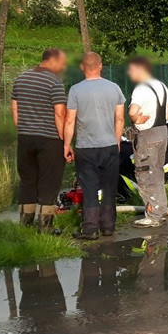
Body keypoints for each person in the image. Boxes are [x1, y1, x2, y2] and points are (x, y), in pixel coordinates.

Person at [64, 52, 126, 240]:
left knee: (89, 187)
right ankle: (108, 226)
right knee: (109, 186)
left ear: (83, 67)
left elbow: (69, 121)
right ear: (101, 66)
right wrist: (116, 143)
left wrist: (67, 145)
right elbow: (120, 118)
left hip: (86, 147)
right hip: (109, 146)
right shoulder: (114, 88)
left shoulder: (75, 90)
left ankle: (90, 229)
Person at [11, 48, 68, 232]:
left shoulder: (21, 78)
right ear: (52, 61)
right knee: (49, 182)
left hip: (25, 138)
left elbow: (15, 109)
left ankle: (25, 225)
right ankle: (46, 228)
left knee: (28, 180)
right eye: (62, 62)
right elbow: (59, 114)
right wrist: (64, 140)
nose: (64, 66)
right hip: (49, 139)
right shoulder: (54, 82)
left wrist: (23, 129)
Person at [126, 56, 168, 228]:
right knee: (157, 172)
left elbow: (133, 111)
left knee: (145, 174)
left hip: (148, 135)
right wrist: (160, 119)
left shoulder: (140, 89)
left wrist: (136, 119)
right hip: (162, 131)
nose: (130, 73)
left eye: (131, 69)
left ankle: (153, 216)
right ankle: (160, 211)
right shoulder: (159, 85)